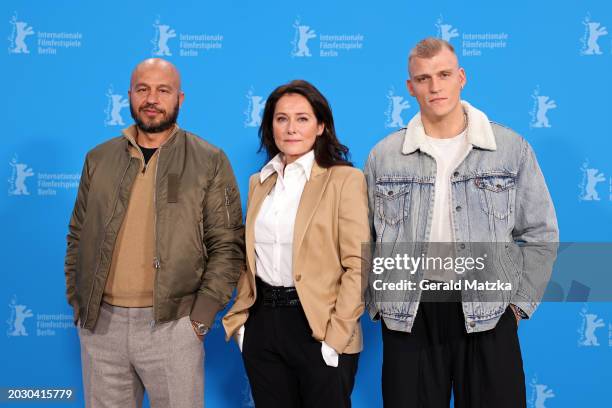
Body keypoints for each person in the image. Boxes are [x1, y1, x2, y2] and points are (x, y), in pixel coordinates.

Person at [364, 38, 558, 407]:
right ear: (410, 87)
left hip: (488, 310)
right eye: (423, 78)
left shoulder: (509, 148)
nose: (434, 86)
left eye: (444, 74)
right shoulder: (384, 156)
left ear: (461, 77)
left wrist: (517, 307)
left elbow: (541, 233)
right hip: (411, 312)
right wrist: (378, 303)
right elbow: (363, 238)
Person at [64, 58, 245, 408]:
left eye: (163, 90)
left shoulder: (209, 160)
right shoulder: (98, 158)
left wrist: (200, 317)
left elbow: (227, 245)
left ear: (179, 98)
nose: (152, 98)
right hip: (101, 327)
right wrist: (79, 301)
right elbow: (77, 234)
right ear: (129, 95)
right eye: (143, 89)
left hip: (174, 326)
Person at [223, 80, 369, 407]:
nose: (291, 128)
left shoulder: (344, 180)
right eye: (281, 119)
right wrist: (246, 327)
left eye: (302, 119)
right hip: (263, 324)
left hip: (318, 325)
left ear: (321, 126)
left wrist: (335, 337)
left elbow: (359, 264)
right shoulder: (259, 182)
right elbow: (250, 256)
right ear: (270, 126)